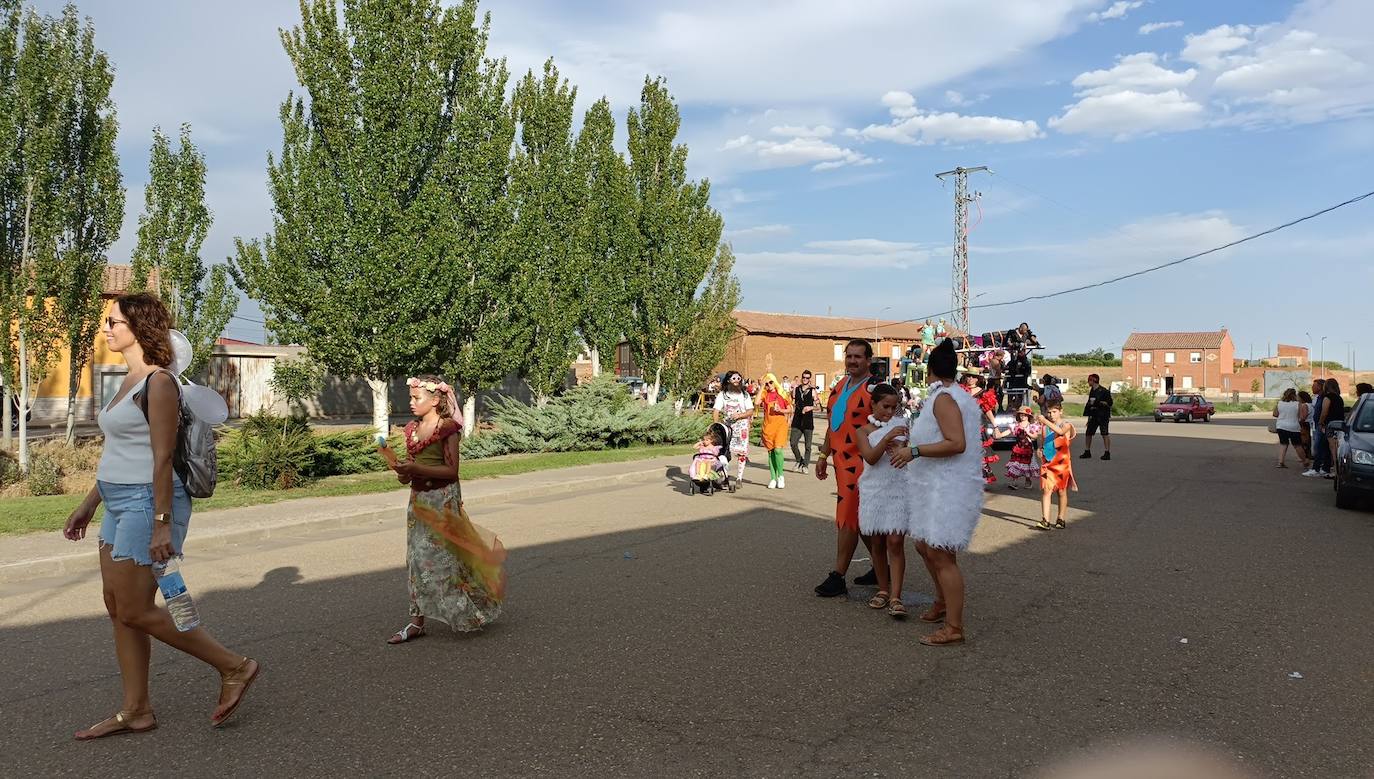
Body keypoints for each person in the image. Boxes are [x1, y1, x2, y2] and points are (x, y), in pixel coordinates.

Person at [63, 292, 260, 738]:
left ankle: (235, 666)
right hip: (116, 501)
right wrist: (88, 504)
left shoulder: (159, 383)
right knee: (118, 607)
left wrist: (161, 524)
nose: (106, 328)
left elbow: (161, 458)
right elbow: (120, 451)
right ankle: (136, 709)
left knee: (134, 608)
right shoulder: (127, 380)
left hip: (147, 503)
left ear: (139, 326)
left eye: (114, 322)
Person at [385, 376, 504, 644]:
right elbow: (412, 468)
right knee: (415, 560)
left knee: (449, 560)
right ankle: (417, 622)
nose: (411, 402)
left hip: (443, 501)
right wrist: (404, 473)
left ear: (436, 400)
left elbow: (451, 471)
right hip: (418, 503)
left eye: (417, 398)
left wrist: (415, 469)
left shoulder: (447, 429)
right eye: (411, 398)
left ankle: (471, 610)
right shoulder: (412, 429)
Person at [889, 339, 984, 646]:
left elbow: (956, 443)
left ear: (928, 370)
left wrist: (913, 451)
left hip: (946, 487)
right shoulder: (956, 396)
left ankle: (954, 627)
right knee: (924, 545)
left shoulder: (944, 399)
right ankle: (943, 601)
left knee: (941, 554)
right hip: (938, 485)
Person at [814, 339, 878, 597]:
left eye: (858, 357)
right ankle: (881, 566)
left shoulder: (874, 390)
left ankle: (838, 575)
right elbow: (833, 424)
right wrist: (823, 454)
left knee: (848, 516)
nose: (852, 361)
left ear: (868, 360)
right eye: (849, 356)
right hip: (840, 462)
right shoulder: (840, 386)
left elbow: (885, 425)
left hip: (861, 464)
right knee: (858, 520)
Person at [855, 383, 912, 618]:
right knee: (877, 542)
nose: (889, 412)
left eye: (893, 407)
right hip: (873, 490)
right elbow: (870, 458)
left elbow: (906, 453)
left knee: (895, 540)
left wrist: (902, 444)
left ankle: (896, 596)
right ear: (873, 404)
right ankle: (882, 589)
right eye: (885, 406)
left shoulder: (903, 427)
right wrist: (886, 437)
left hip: (898, 489)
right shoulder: (863, 431)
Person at [1037, 401, 1077, 531]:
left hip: (1061, 464)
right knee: (1046, 490)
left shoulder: (1066, 425)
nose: (1051, 415)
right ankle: (1045, 520)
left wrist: (1044, 421)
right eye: (1049, 412)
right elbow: (1042, 443)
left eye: (1054, 412)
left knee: (1061, 491)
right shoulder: (1044, 427)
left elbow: (1060, 431)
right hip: (1047, 463)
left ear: (1061, 411)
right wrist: (1040, 449)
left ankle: (1061, 518)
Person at [713, 371, 755, 485]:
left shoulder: (744, 394)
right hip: (728, 426)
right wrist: (716, 426)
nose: (736, 380)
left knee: (741, 453)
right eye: (734, 378)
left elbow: (750, 411)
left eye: (738, 378)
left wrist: (740, 415)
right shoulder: (723, 394)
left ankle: (739, 478)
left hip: (742, 426)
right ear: (728, 380)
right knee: (725, 451)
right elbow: (716, 410)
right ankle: (724, 475)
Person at [757, 373, 793, 489]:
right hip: (768, 426)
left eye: (770, 382)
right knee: (771, 452)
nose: (769, 385)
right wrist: (762, 386)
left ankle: (781, 476)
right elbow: (757, 402)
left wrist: (781, 409)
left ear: (775, 381)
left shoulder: (782, 394)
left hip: (781, 425)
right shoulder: (764, 393)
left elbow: (790, 409)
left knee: (778, 450)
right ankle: (773, 478)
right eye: (767, 383)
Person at [996, 406, 1041, 489]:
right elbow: (1008, 431)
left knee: (1027, 465)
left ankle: (1028, 480)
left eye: (1025, 415)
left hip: (1028, 448)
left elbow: (1035, 436)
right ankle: (1014, 481)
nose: (1023, 416)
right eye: (1021, 415)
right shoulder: (1016, 425)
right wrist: (1000, 435)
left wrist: (1028, 433)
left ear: (1028, 416)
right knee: (1015, 464)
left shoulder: (1031, 426)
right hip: (1018, 448)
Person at [1081, 373, 1113, 461]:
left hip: (1102, 415)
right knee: (1088, 433)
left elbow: (1110, 403)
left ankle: (1107, 452)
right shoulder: (1092, 390)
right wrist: (1088, 417)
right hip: (1093, 415)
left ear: (1094, 380)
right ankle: (1087, 451)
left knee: (1104, 433)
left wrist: (1101, 402)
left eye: (1089, 380)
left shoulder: (1104, 391)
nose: (1088, 382)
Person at [790, 370, 817, 473]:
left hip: (808, 421)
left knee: (808, 446)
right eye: (804, 377)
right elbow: (792, 404)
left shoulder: (813, 390)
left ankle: (805, 465)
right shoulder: (796, 389)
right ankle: (799, 460)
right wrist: (789, 417)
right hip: (797, 420)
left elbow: (819, 407)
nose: (805, 379)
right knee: (793, 443)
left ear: (810, 379)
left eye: (807, 378)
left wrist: (810, 407)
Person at [1319, 379, 1346, 480]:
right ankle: (1337, 470)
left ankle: (1336, 471)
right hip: (1340, 425)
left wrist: (1320, 422)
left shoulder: (1328, 397)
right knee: (1337, 448)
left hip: (1331, 425)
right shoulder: (1339, 398)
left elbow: (1324, 411)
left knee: (1333, 449)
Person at [1272, 388, 1306, 469]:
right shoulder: (1298, 404)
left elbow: (1275, 414)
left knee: (1283, 444)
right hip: (1294, 427)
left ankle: (1280, 462)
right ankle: (1305, 461)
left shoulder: (1279, 403)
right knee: (1297, 445)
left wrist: (1283, 415)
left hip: (1281, 426)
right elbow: (1301, 417)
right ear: (1294, 395)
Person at [1304, 379, 1328, 477]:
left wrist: (1320, 423)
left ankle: (1316, 468)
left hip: (1320, 425)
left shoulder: (1323, 398)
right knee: (1320, 446)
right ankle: (1323, 467)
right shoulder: (1316, 398)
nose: (1312, 388)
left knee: (1318, 447)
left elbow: (1323, 411)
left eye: (1314, 386)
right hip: (1316, 425)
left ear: (1320, 387)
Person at [1297, 390, 1315, 470]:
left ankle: (1305, 458)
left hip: (1305, 424)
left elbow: (1303, 417)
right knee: (1309, 442)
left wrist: (1298, 422)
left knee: (1304, 442)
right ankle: (1308, 456)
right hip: (1310, 424)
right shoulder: (1311, 404)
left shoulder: (1304, 405)